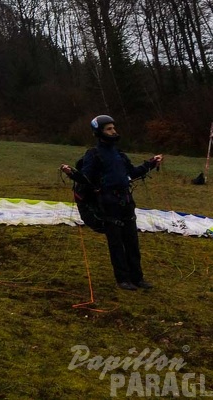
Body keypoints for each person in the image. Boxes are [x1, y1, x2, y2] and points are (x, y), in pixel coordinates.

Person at [61, 115, 163, 292]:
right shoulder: (93, 154)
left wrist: (151, 163)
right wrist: (71, 173)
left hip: (126, 202)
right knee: (116, 244)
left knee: (132, 242)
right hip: (108, 205)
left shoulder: (119, 154)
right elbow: (86, 178)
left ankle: (137, 278)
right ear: (99, 132)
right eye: (109, 129)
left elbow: (133, 172)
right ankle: (123, 279)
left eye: (113, 128)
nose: (114, 131)